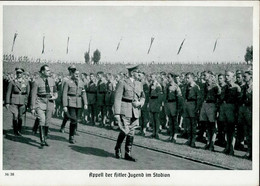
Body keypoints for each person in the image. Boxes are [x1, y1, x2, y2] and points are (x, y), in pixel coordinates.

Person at [113, 64, 145, 162]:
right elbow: (117, 98)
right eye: (137, 72)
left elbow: (143, 96)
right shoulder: (122, 82)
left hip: (135, 110)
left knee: (131, 132)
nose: (138, 74)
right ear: (131, 72)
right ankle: (118, 147)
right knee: (125, 130)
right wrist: (117, 113)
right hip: (125, 109)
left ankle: (128, 153)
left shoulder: (139, 84)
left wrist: (140, 103)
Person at [31, 65, 58, 148]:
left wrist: (55, 97)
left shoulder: (52, 81)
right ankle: (42, 140)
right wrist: (33, 107)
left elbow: (56, 92)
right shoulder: (36, 82)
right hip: (40, 102)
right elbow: (33, 95)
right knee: (42, 120)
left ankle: (45, 139)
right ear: (42, 71)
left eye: (49, 70)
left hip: (50, 102)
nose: (49, 72)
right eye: (47, 70)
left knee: (47, 121)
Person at [219, 71, 241, 155]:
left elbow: (238, 101)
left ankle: (231, 148)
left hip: (232, 109)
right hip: (225, 108)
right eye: (226, 75)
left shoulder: (236, 88)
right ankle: (227, 147)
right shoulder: (225, 87)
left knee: (232, 129)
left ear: (233, 77)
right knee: (226, 129)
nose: (226, 77)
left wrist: (236, 112)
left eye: (228, 75)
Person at [62, 69, 88, 144]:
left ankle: (73, 133)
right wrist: (64, 105)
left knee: (76, 119)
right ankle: (71, 137)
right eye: (75, 73)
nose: (77, 75)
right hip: (70, 102)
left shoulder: (81, 82)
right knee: (73, 119)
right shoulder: (68, 82)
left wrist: (85, 103)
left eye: (78, 73)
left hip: (79, 103)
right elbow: (64, 94)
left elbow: (83, 93)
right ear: (72, 74)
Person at [199, 71, 221, 151]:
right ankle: (208, 142)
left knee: (212, 125)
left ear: (210, 76)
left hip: (212, 105)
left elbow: (219, 97)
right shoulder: (204, 85)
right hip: (205, 104)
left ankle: (212, 143)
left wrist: (217, 109)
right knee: (207, 125)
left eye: (205, 75)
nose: (203, 77)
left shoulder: (215, 86)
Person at [5, 68, 30, 136]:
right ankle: (15, 131)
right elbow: (8, 92)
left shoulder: (26, 82)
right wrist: (7, 102)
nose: (19, 74)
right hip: (14, 100)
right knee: (15, 115)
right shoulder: (12, 82)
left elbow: (28, 93)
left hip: (22, 100)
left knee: (20, 116)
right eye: (18, 73)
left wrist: (27, 103)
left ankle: (19, 130)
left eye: (20, 73)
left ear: (22, 74)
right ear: (16, 73)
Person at [183, 72, 202, 148]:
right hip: (187, 104)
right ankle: (189, 139)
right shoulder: (186, 86)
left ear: (192, 78)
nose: (186, 79)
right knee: (188, 124)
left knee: (193, 124)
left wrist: (197, 108)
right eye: (186, 78)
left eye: (188, 78)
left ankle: (193, 141)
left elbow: (199, 99)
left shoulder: (196, 87)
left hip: (193, 104)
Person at [165, 73, 182, 143]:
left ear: (172, 78)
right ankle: (171, 135)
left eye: (169, 77)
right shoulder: (167, 86)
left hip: (174, 104)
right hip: (168, 103)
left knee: (175, 121)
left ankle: (175, 136)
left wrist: (178, 108)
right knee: (170, 121)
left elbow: (179, 97)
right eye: (167, 77)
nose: (168, 79)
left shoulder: (176, 86)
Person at [239, 70, 252, 160]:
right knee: (247, 132)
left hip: (252, 110)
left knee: (252, 132)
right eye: (243, 77)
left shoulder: (254, 86)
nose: (244, 78)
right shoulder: (243, 87)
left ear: (251, 77)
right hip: (245, 110)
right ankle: (249, 151)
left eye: (245, 77)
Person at [60, 65, 76, 133]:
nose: (73, 71)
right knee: (67, 115)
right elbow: (62, 90)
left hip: (74, 100)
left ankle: (74, 129)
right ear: (69, 70)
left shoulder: (75, 79)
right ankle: (63, 126)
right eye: (72, 70)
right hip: (66, 98)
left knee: (74, 115)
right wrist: (63, 100)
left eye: (74, 70)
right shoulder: (65, 79)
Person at [148, 73, 163, 139]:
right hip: (152, 101)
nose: (150, 77)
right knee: (152, 118)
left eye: (152, 76)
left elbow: (160, 96)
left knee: (156, 118)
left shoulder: (158, 85)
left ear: (155, 77)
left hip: (156, 102)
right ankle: (153, 132)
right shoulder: (150, 85)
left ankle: (156, 133)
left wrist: (160, 105)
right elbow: (149, 94)